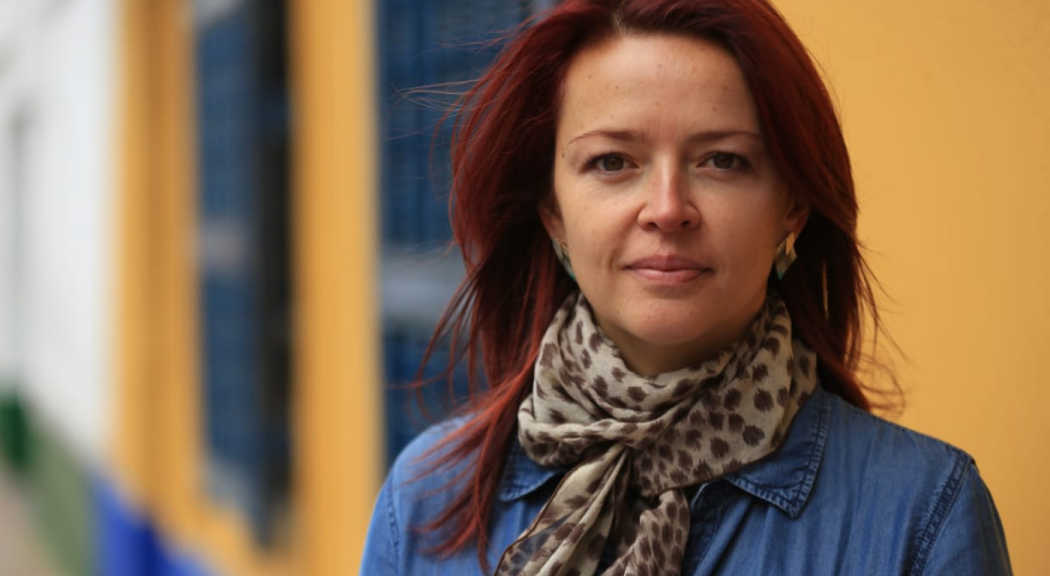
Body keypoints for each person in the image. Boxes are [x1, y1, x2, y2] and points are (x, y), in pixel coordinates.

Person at [361, 0, 1013, 574]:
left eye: (722, 160)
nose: (667, 208)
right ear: (553, 211)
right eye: (613, 162)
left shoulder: (921, 514)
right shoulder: (425, 499)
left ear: (793, 204)